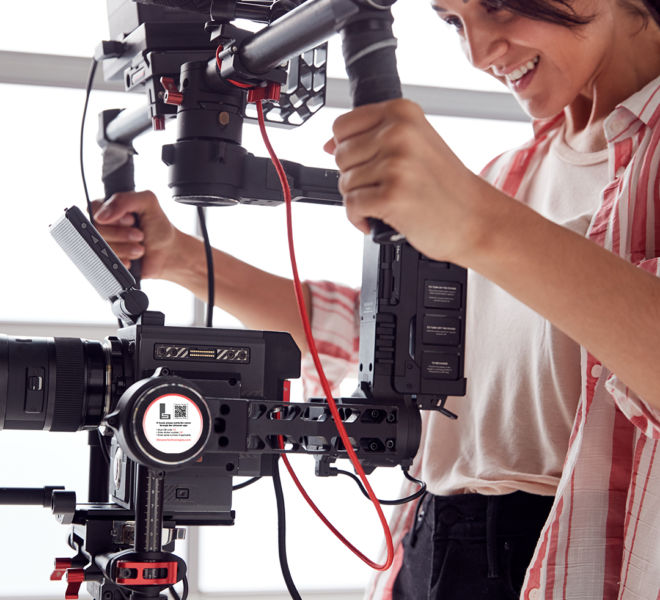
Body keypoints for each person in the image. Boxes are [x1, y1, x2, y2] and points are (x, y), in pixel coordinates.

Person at [93, 0, 660, 598]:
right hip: (431, 544)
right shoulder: (508, 175)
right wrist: (183, 259)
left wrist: (477, 221)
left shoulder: (492, 197)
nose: (479, 51)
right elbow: (375, 341)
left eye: (496, 4)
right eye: (452, 20)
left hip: (570, 558)